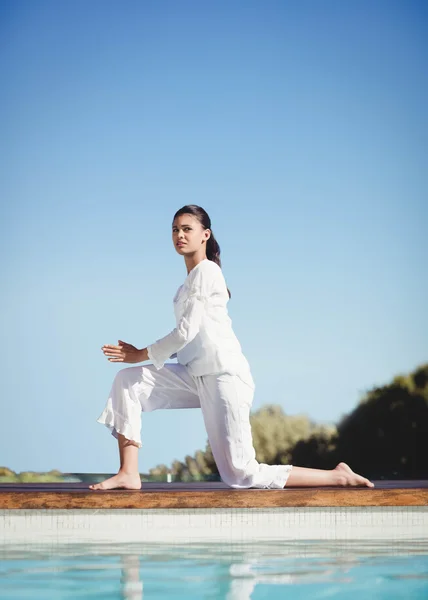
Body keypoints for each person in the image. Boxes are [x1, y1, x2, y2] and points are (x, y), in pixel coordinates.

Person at [90, 205, 374, 491]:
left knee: (240, 474)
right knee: (128, 382)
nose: (179, 234)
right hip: (194, 374)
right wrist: (145, 356)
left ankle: (337, 475)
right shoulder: (184, 287)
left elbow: (185, 331)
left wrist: (141, 353)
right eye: (175, 230)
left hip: (224, 376)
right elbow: (191, 337)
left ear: (205, 234)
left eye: (187, 229)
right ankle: (129, 472)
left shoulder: (208, 271)